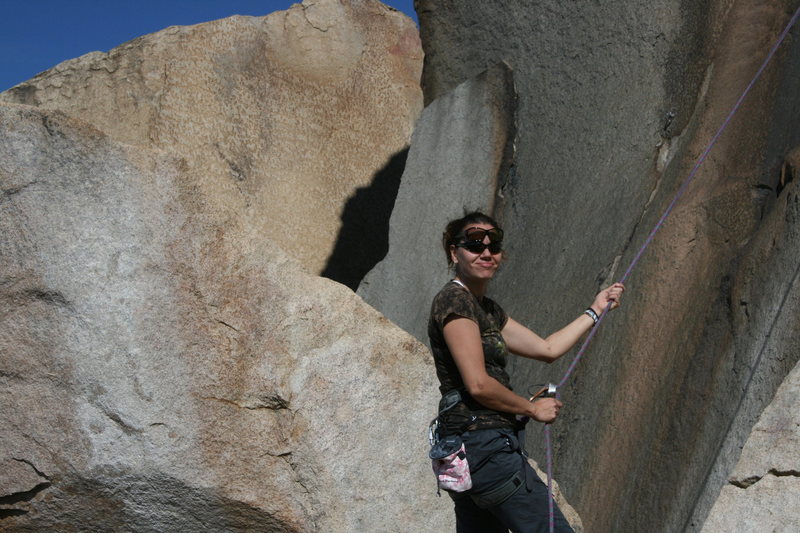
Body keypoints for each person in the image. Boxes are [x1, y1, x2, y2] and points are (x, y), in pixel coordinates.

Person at [428, 211, 624, 533]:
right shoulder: (454, 301)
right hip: (484, 447)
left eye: (494, 245)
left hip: (474, 451)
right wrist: (532, 408)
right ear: (454, 252)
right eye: (475, 244)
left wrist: (596, 309)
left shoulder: (486, 309)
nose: (487, 252)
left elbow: (546, 349)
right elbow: (478, 384)